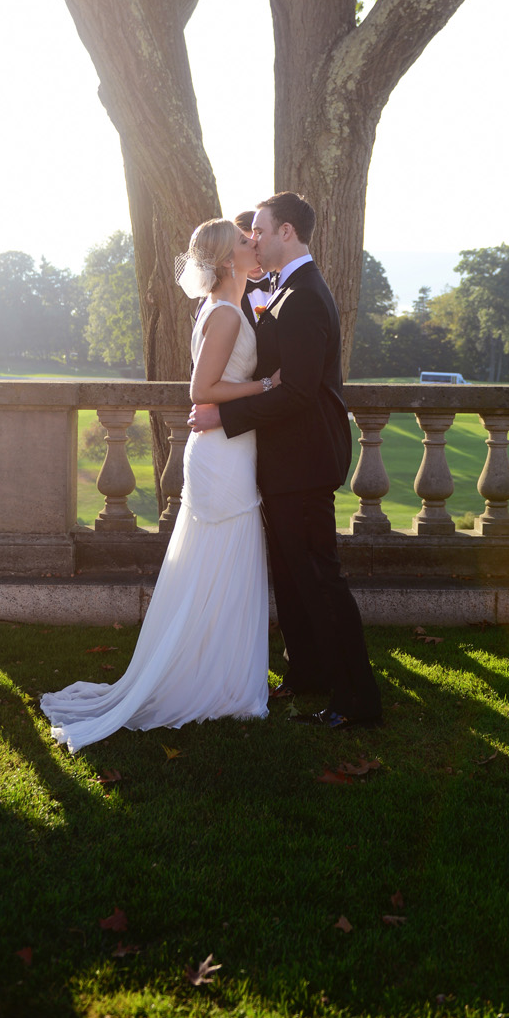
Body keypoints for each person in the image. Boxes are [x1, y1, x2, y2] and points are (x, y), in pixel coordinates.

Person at [41, 218, 278, 752]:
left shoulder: (230, 308)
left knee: (222, 560)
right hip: (222, 454)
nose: (254, 244)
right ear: (224, 261)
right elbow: (202, 390)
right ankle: (211, 683)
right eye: (244, 241)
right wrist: (267, 384)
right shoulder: (222, 315)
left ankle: (221, 677)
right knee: (218, 556)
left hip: (230, 450)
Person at [191, 192, 382, 730]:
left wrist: (224, 420)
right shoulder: (280, 292)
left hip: (304, 460)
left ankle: (356, 699)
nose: (253, 238)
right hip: (282, 461)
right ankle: (309, 674)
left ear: (288, 234)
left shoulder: (302, 297)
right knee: (293, 577)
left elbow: (298, 392)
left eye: (260, 230)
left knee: (319, 578)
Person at [235, 209, 272, 327]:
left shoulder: (288, 283)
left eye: (258, 246)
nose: (254, 256)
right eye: (246, 247)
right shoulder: (225, 295)